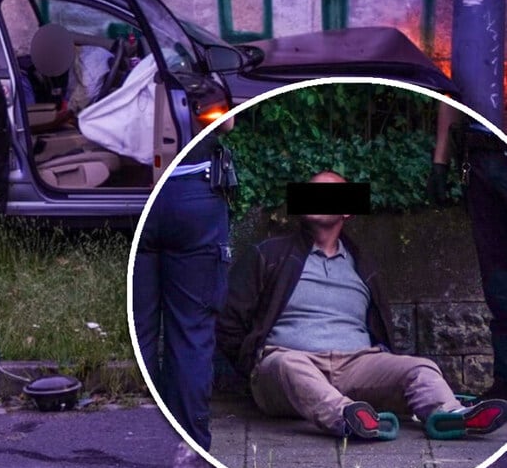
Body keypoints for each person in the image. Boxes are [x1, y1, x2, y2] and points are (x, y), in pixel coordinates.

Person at [217, 171, 507, 440]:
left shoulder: (363, 266)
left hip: (356, 364)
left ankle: (450, 415)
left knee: (421, 366)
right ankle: (347, 417)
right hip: (289, 364)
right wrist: (253, 365)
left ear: (347, 211)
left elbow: (381, 328)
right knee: (285, 364)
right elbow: (228, 322)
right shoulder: (269, 255)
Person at [132, 119, 235, 451]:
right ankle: (191, 450)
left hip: (141, 192)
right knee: (191, 332)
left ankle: (141, 444)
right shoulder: (195, 71)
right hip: (193, 190)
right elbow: (226, 123)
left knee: (140, 332)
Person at [429, 101, 507, 399]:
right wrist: (441, 161)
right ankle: (504, 382)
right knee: (498, 283)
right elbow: (453, 92)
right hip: (481, 157)